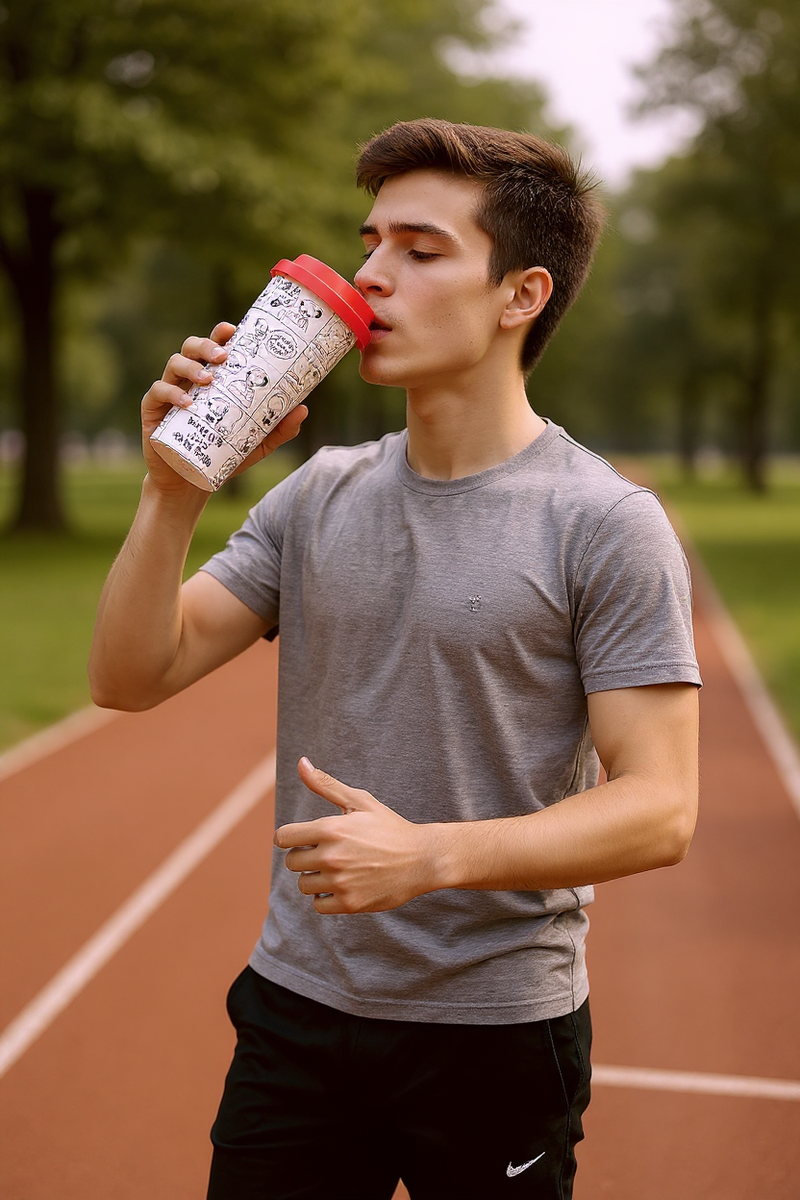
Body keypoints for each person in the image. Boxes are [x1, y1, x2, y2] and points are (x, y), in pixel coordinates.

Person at [89, 118, 701, 1200]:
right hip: (296, 1013)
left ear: (520, 294)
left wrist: (431, 857)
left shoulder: (602, 523)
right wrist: (172, 489)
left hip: (495, 1033)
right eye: (370, 242)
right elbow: (130, 676)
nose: (370, 275)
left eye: (420, 252)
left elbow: (659, 809)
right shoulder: (317, 494)